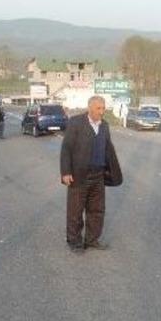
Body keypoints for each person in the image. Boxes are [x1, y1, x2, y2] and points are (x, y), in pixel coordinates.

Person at [60, 96, 123, 253]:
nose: (101, 112)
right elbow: (66, 148)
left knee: (97, 210)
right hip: (79, 174)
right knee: (75, 210)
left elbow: (108, 149)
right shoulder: (76, 122)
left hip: (98, 176)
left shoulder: (104, 126)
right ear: (90, 108)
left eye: (103, 108)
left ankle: (92, 239)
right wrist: (66, 172)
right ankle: (74, 241)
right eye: (98, 108)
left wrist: (113, 171)